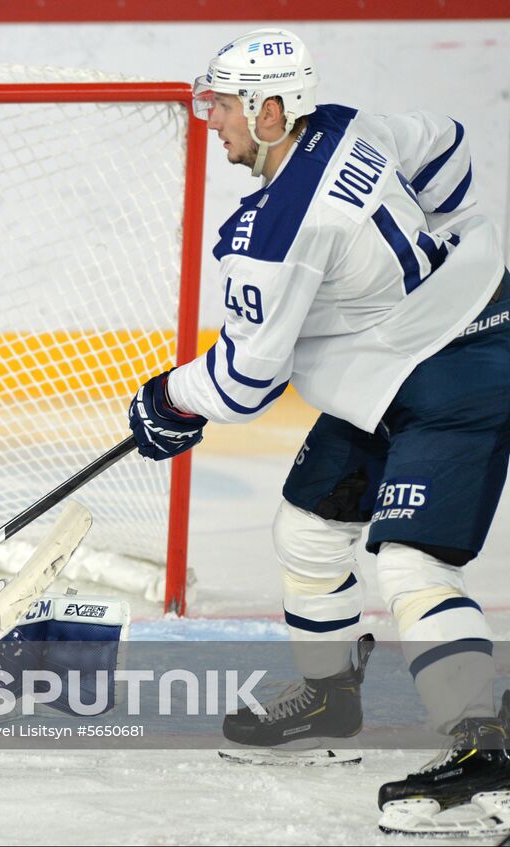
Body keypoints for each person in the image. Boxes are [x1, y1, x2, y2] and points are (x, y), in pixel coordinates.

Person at [126, 28, 510, 835]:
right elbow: (446, 147)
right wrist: (442, 251)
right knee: (308, 527)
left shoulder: (276, 231)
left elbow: (244, 380)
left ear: (272, 111)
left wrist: (167, 399)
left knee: (413, 562)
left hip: (459, 369)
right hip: (394, 365)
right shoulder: (346, 124)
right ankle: (331, 704)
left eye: (226, 104)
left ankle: (488, 757)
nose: (213, 118)